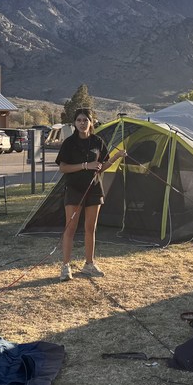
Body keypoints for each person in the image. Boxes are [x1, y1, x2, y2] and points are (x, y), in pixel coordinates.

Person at [55, 107, 125, 281]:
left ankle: (89, 264)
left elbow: (101, 167)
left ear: (91, 122)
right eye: (79, 120)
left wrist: (115, 157)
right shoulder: (69, 143)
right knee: (70, 228)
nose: (82, 123)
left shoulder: (97, 141)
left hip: (94, 189)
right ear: (74, 123)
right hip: (73, 189)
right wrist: (85, 165)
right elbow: (63, 168)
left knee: (90, 228)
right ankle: (65, 267)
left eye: (85, 120)